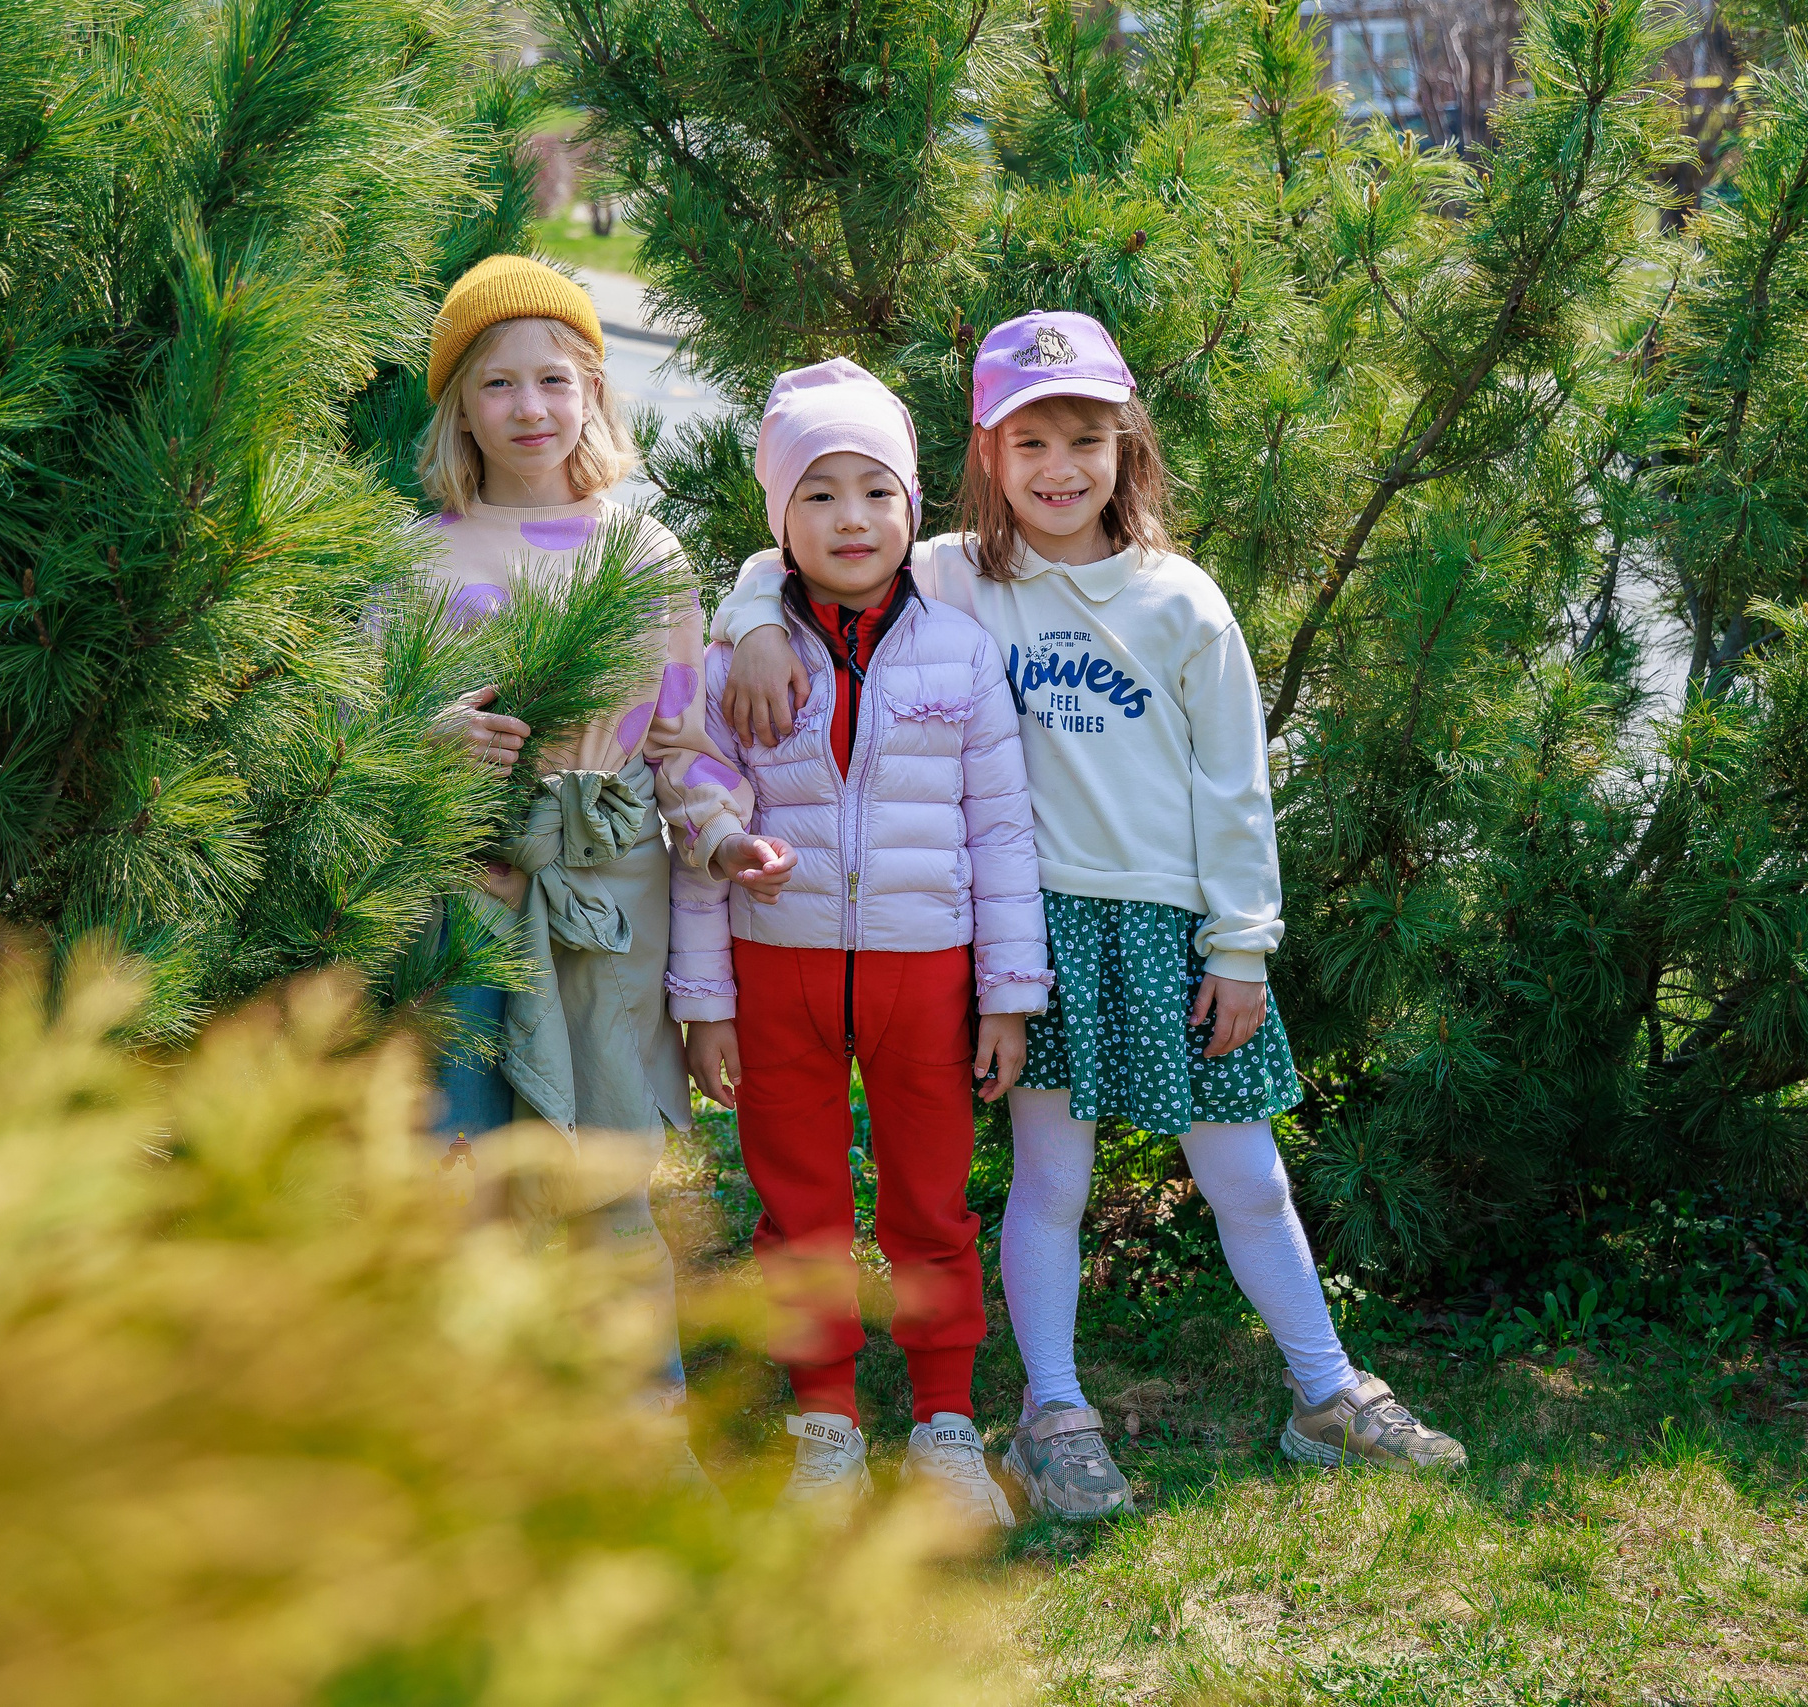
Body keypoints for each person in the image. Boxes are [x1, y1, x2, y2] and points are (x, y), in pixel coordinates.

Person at [710, 312, 1467, 1522]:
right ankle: (1052, 1415)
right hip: (1042, 933)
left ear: (1127, 449)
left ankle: (1325, 1394)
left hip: (1174, 936)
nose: (1059, 470)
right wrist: (751, 619)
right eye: (1028, 447)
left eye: (1084, 441)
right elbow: (790, 553)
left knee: (1246, 1176)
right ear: (987, 460)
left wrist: (1240, 946)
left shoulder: (1180, 601)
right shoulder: (952, 569)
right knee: (1048, 1182)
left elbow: (1235, 787)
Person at [667, 358, 1049, 1529]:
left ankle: (944, 1427)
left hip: (923, 973)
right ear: (779, 521)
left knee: (932, 1206)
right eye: (819, 494)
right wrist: (706, 1001)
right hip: (774, 970)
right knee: (801, 1210)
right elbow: (696, 817)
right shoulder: (736, 658)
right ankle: (824, 1427)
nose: (851, 519)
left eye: (876, 491)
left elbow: (1000, 830)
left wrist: (1006, 994)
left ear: (914, 509)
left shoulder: (961, 650)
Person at [408, 256, 751, 1453]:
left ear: (595, 390)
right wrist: (430, 736)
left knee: (610, 1179)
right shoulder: (421, 560)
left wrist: (722, 831)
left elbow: (685, 741)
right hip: (468, 903)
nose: (530, 406)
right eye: (496, 383)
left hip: (608, 910)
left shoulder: (643, 551)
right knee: (467, 1170)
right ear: (458, 409)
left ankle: (644, 1427)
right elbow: (359, 732)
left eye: (556, 377)